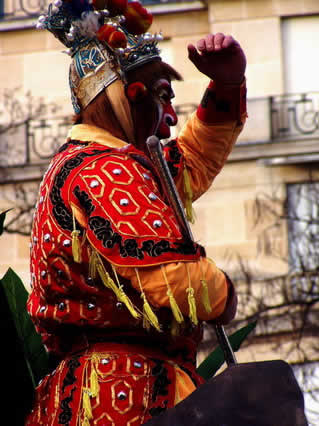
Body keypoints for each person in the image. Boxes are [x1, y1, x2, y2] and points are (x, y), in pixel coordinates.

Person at [26, 1, 247, 424]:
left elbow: (190, 162)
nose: (170, 118)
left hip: (114, 385)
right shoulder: (102, 169)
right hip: (120, 393)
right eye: (164, 95)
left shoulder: (113, 164)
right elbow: (170, 279)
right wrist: (223, 292)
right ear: (128, 97)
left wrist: (226, 85)